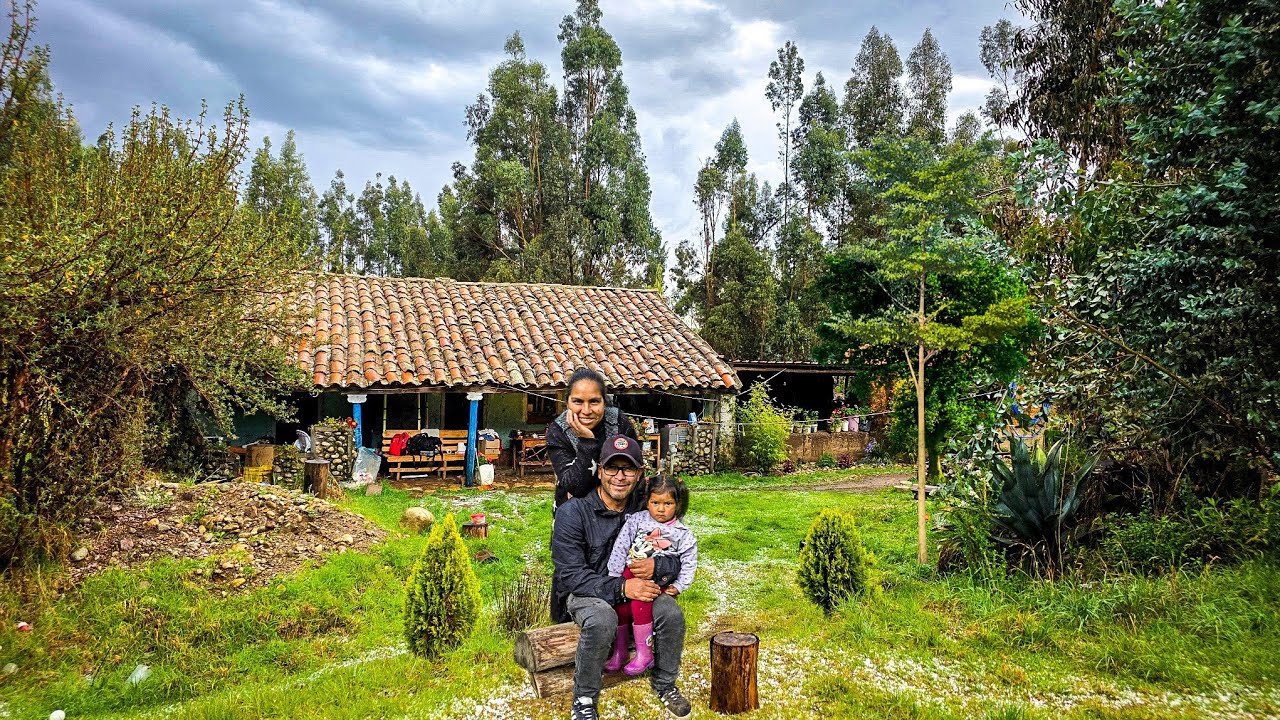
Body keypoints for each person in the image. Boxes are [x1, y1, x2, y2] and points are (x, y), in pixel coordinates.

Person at [550, 434, 691, 720]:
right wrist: (624, 586)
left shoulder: (648, 510)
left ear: (640, 474)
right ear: (600, 470)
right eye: (612, 468)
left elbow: (681, 552)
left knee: (671, 614)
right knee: (602, 619)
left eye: (628, 469)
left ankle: (665, 684)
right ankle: (585, 699)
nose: (620, 476)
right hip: (586, 591)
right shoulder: (572, 513)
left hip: (637, 590)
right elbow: (571, 574)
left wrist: (659, 568)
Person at [603, 474, 696, 676]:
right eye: (655, 502)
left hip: (656, 579)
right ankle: (619, 652)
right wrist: (614, 574)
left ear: (678, 504)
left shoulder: (682, 533)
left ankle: (644, 654)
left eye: (668, 503)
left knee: (640, 604)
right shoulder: (636, 521)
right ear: (647, 501)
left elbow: (689, 561)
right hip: (630, 573)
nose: (661, 509)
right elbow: (621, 546)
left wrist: (680, 585)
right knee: (621, 607)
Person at [546, 368, 640, 511]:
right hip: (573, 514)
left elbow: (634, 472)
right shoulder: (558, 431)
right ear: (567, 403)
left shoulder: (619, 423)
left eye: (594, 401)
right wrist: (587, 441)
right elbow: (574, 487)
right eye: (578, 401)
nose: (586, 410)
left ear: (604, 402)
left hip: (619, 511)